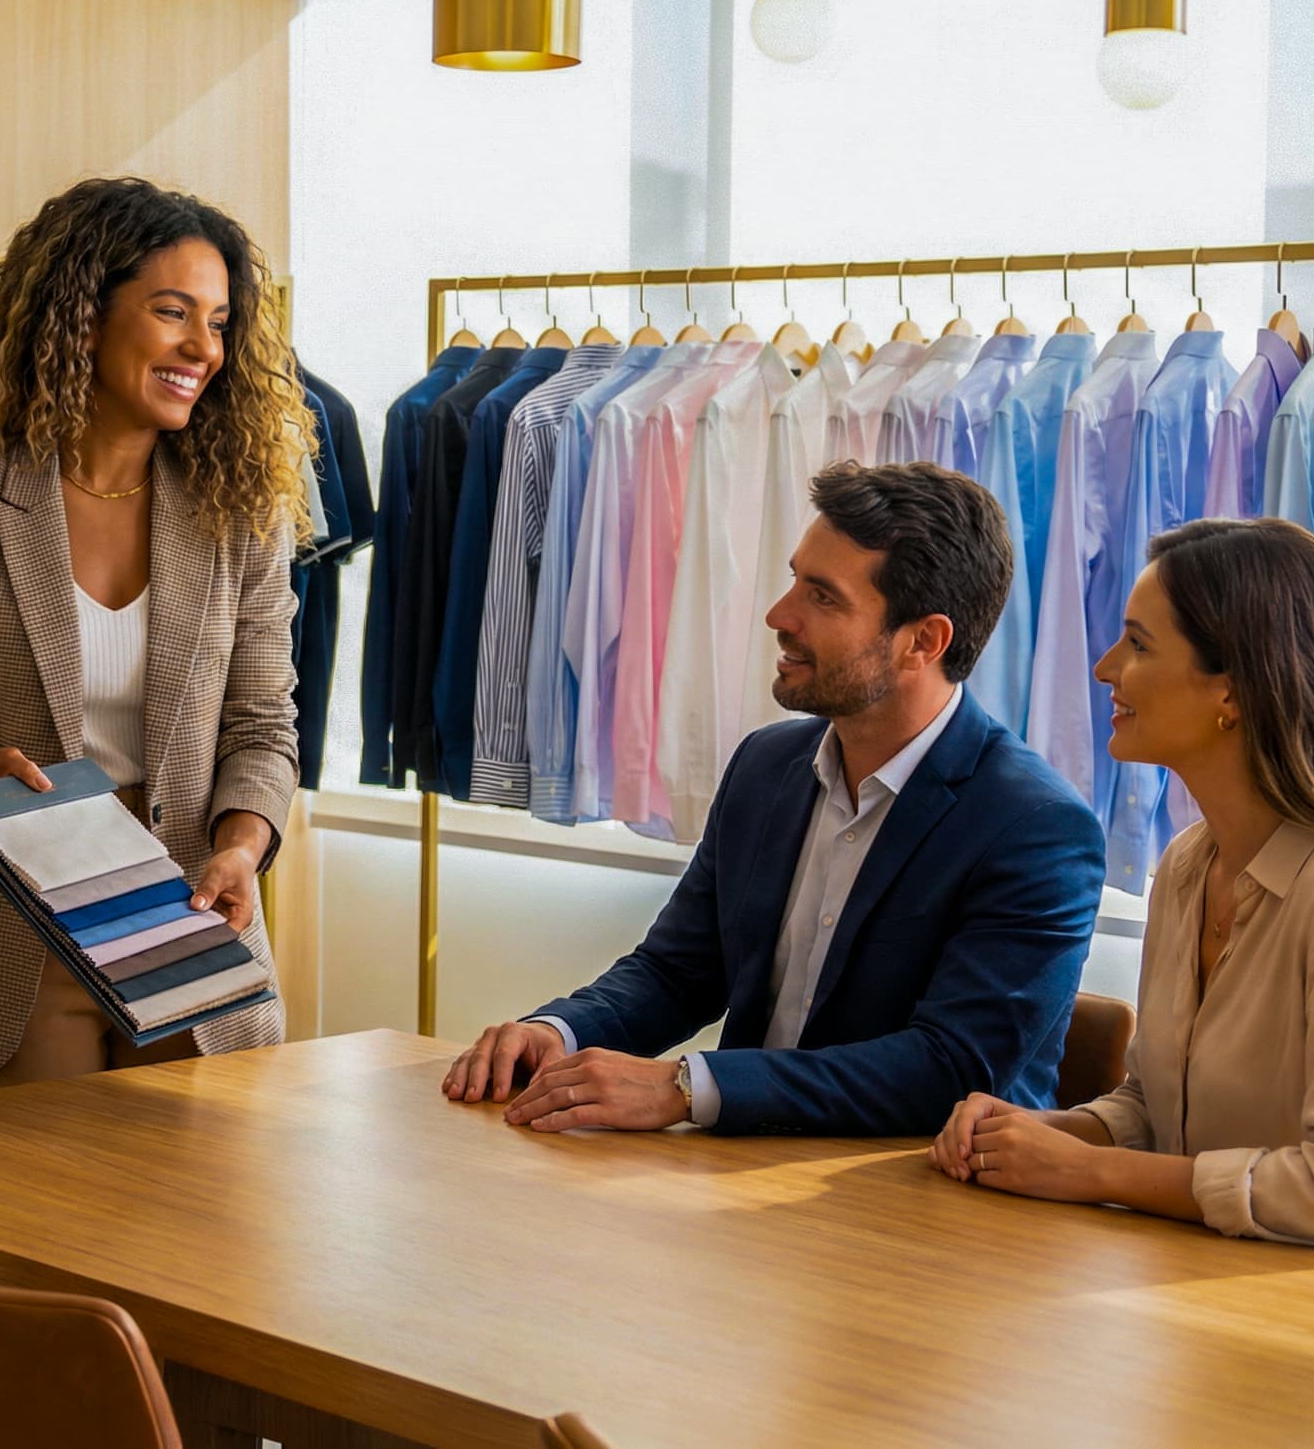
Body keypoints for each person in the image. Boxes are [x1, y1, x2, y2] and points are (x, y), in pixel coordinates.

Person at [444, 462, 1105, 1136]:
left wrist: (685, 1086)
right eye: (795, 578)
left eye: (822, 597)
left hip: (927, 1200)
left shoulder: (1036, 827)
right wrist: (562, 1031)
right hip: (743, 1178)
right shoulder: (767, 765)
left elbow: (950, 1068)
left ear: (923, 642)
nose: (778, 615)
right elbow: (678, 971)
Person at [931, 518, 1314, 1248]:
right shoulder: (1191, 866)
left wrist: (1090, 1173)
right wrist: (1036, 1134)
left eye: (1137, 644)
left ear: (1232, 689)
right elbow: (1162, 1108)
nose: (1104, 668)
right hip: (1212, 1290)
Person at [0, 177, 310, 1096]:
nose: (203, 347)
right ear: (83, 316)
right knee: (22, 1226)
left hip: (191, 925)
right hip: (9, 932)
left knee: (196, 1232)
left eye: (220, 322)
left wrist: (242, 844)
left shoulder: (242, 510)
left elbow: (264, 724)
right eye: (173, 312)